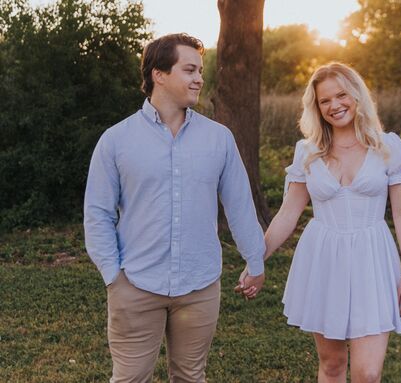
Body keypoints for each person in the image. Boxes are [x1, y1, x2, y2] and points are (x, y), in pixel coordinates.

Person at [84, 33, 265, 383]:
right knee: (130, 379)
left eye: (200, 70)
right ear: (159, 74)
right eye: (190, 69)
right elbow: (98, 213)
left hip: (200, 287)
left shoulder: (219, 139)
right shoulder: (116, 140)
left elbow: (240, 206)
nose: (200, 78)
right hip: (135, 285)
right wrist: (113, 277)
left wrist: (254, 261)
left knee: (190, 377)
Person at [239, 63, 401, 382]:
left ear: (357, 95)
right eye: (325, 101)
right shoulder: (307, 152)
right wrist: (257, 260)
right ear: (317, 107)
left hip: (372, 258)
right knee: (332, 365)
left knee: (367, 373)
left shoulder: (387, 145)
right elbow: (287, 214)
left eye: (341, 95)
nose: (335, 105)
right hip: (323, 260)